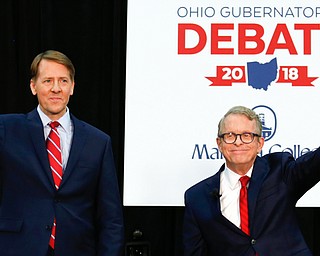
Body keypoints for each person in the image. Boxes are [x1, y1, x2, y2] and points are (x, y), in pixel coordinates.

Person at [0, 50, 124, 255]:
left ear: (72, 87)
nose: (56, 88)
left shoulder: (98, 142)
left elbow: (110, 218)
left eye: (63, 81)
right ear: (33, 86)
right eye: (48, 80)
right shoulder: (6, 130)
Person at [183, 105, 320, 256]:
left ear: (259, 144)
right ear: (219, 144)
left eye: (246, 135)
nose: (238, 142)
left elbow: (315, 162)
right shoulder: (196, 197)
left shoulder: (280, 170)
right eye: (229, 135)